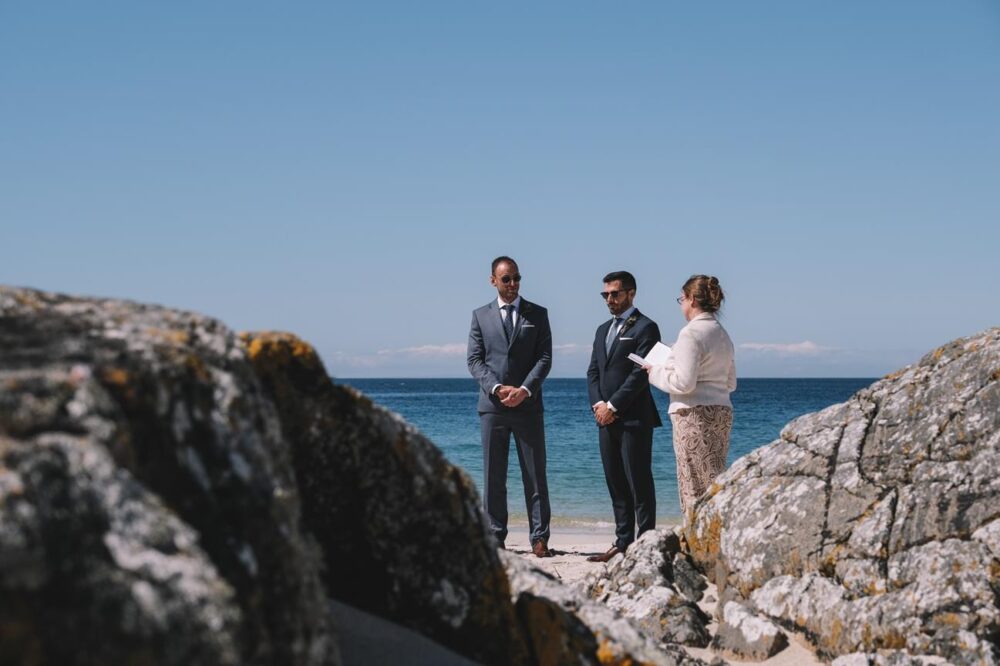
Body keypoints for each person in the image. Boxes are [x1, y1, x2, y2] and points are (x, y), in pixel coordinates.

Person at [467, 256, 554, 557]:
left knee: (535, 475)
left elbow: (545, 358)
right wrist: (496, 387)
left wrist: (525, 390)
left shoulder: (538, 314)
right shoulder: (480, 316)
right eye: (506, 279)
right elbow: (474, 360)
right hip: (493, 407)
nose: (513, 284)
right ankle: (495, 536)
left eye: (517, 278)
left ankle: (540, 538)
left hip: (528, 406)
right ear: (493, 280)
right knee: (494, 476)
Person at [586, 271, 662, 563]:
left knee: (638, 482)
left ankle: (646, 545)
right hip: (604, 418)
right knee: (615, 482)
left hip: (634, 419)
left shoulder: (646, 327)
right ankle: (622, 542)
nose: (609, 299)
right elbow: (593, 371)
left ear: (631, 293)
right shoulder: (601, 329)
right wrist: (599, 405)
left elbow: (639, 375)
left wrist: (613, 406)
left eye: (615, 294)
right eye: (605, 294)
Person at [647, 275, 736, 519]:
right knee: (714, 479)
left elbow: (684, 383)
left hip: (692, 414)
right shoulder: (722, 334)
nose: (681, 305)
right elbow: (731, 382)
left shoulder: (690, 333)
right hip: (721, 411)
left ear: (692, 299)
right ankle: (717, 531)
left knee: (693, 484)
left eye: (682, 299)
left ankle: (698, 534)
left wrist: (654, 372)